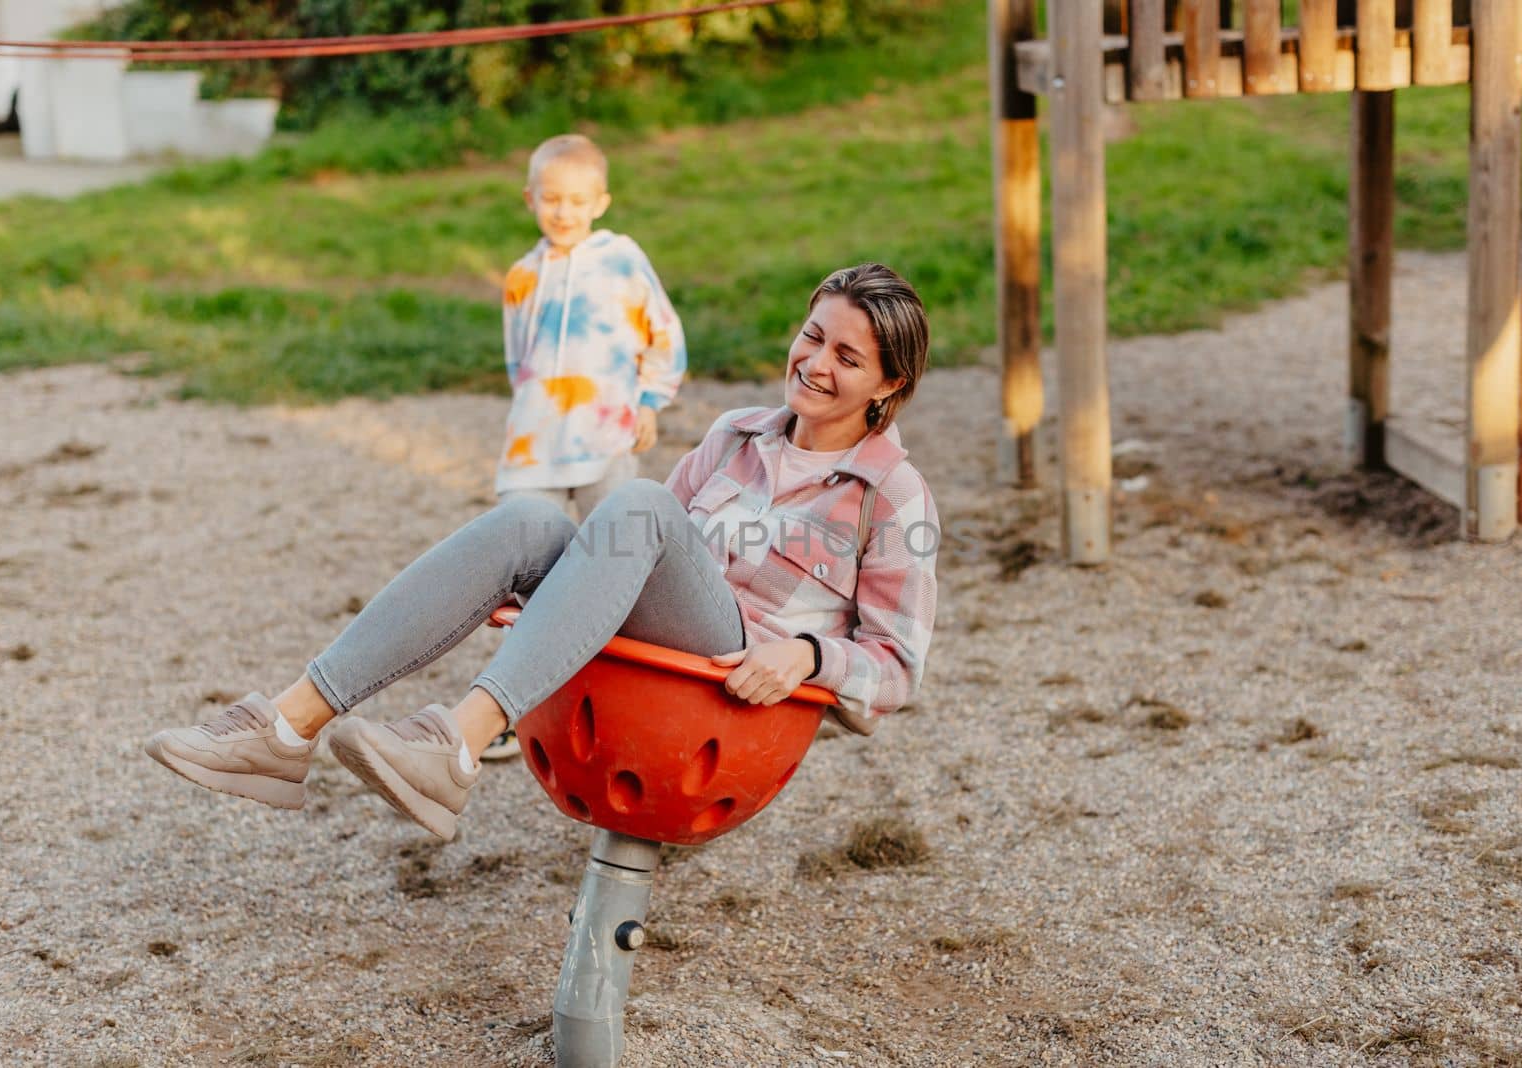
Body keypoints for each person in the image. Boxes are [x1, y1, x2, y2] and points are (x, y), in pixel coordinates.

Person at [144, 263, 938, 841]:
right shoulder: (735, 433)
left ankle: (456, 743)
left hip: (727, 690)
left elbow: (898, 662)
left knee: (637, 500)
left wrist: (807, 654)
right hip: (652, 648)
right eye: (813, 336)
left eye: (847, 358)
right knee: (529, 522)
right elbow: (642, 557)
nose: (815, 363)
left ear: (887, 385)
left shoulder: (892, 495)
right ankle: (283, 731)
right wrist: (561, 594)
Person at [482, 133, 686, 760]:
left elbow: (664, 334)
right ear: (530, 199)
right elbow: (520, 360)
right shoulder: (521, 276)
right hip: (537, 443)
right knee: (519, 568)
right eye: (551, 200)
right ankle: (516, 702)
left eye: (576, 200)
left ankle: (630, 688)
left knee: (617, 557)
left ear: (600, 202)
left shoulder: (622, 261)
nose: (563, 212)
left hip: (605, 436)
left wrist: (650, 399)